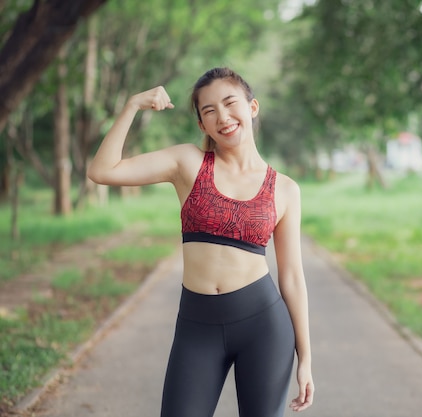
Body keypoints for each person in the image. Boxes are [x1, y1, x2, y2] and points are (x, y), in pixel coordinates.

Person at [87, 67, 314, 417]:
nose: (222, 116)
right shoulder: (187, 163)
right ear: (202, 126)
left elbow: (293, 278)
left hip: (264, 327)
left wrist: (306, 359)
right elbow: (103, 171)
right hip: (197, 327)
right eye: (209, 111)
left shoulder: (284, 189)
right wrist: (132, 105)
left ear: (252, 107)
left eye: (229, 103)